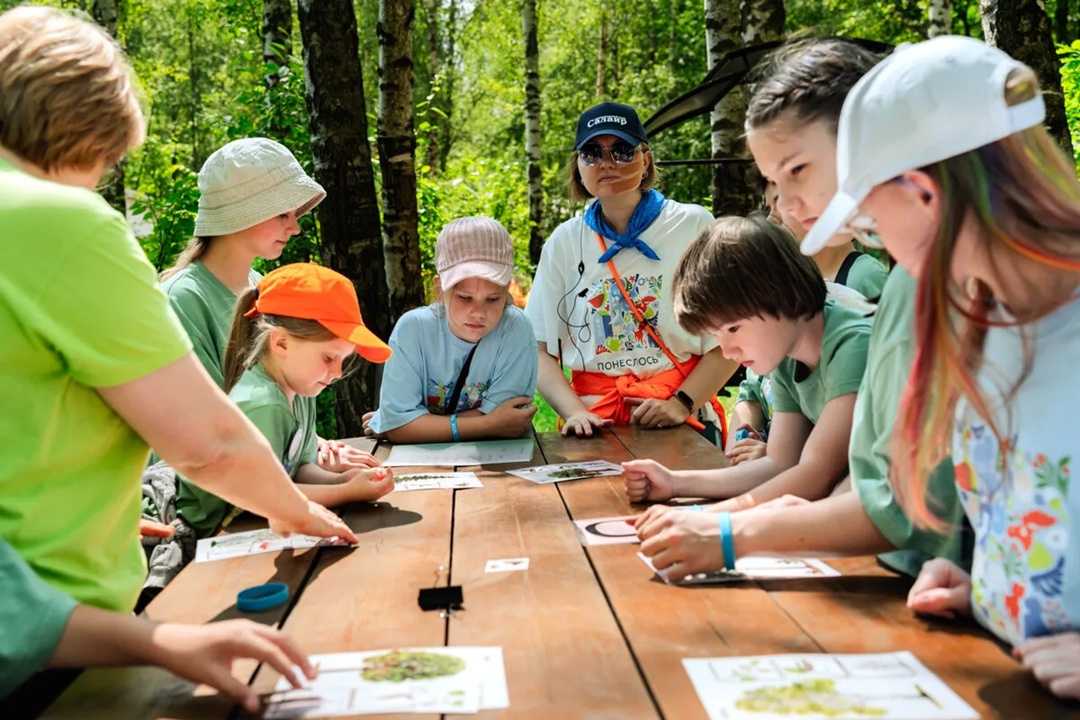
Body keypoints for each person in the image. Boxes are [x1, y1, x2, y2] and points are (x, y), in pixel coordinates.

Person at [0, 5, 350, 705]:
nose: (100, 179)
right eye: (106, 163)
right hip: (50, 629)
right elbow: (208, 441)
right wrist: (299, 510)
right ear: (87, 130)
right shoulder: (58, 220)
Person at [803, 36, 1080, 698]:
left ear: (925, 195)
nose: (877, 241)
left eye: (871, 221)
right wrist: (991, 585)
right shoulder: (981, 323)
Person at [633, 37, 965, 585]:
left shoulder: (908, 297)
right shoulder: (910, 281)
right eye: (773, 183)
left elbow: (884, 499)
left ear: (872, 140)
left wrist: (723, 531)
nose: (786, 206)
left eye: (798, 170)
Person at [624, 215, 872, 509]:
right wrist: (675, 483)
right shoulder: (787, 351)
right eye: (716, 334)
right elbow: (781, 464)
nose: (727, 351)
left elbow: (815, 475)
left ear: (782, 294)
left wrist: (707, 516)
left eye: (733, 329)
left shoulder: (854, 343)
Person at [159, 137, 378, 470]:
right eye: (281, 214)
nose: (296, 227)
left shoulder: (259, 284)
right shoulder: (182, 299)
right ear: (241, 212)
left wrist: (315, 447)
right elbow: (205, 418)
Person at [525, 102, 736, 443]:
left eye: (622, 150)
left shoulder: (693, 224)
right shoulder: (565, 241)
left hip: (684, 416)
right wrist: (575, 413)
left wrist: (681, 403)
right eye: (591, 152)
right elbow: (536, 347)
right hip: (598, 425)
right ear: (578, 166)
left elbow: (731, 333)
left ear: (646, 159)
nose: (606, 163)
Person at [726, 180, 888, 466]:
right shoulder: (781, 284)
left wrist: (779, 455)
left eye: (777, 204)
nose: (772, 217)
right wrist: (743, 441)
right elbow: (753, 386)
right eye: (768, 207)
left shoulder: (862, 277)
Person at [363, 217, 538, 443]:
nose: (478, 312)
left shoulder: (516, 328)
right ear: (439, 288)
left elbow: (509, 422)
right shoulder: (412, 329)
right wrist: (487, 424)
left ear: (506, 291)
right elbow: (497, 422)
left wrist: (414, 425)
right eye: (465, 298)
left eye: (493, 299)